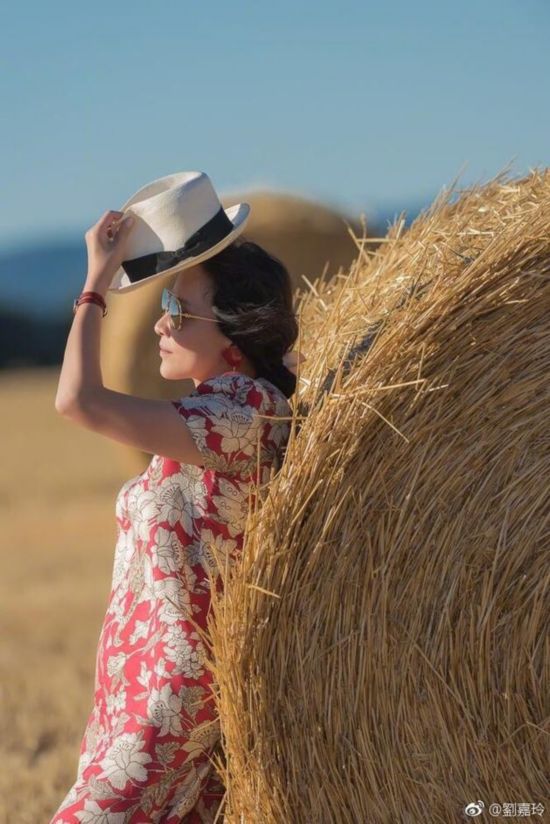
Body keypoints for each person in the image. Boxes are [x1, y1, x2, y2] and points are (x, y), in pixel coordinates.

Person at [50, 172, 305, 823]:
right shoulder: (208, 415)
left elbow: (77, 401)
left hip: (173, 699)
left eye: (179, 308)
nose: (162, 322)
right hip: (131, 690)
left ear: (232, 336)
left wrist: (96, 286)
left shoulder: (247, 410)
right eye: (162, 301)